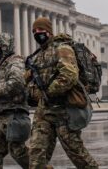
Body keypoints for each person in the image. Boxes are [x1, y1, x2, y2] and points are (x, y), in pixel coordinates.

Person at [25, 17, 98, 169]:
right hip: (43, 111)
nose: (37, 33)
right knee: (36, 155)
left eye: (40, 30)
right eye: (34, 31)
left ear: (49, 31)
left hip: (64, 110)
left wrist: (49, 92)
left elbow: (69, 76)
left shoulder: (62, 49)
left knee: (77, 154)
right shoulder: (38, 55)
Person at [0, 33, 30, 169]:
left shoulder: (15, 61)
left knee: (18, 152)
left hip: (13, 113)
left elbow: (17, 82)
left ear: (6, 46)